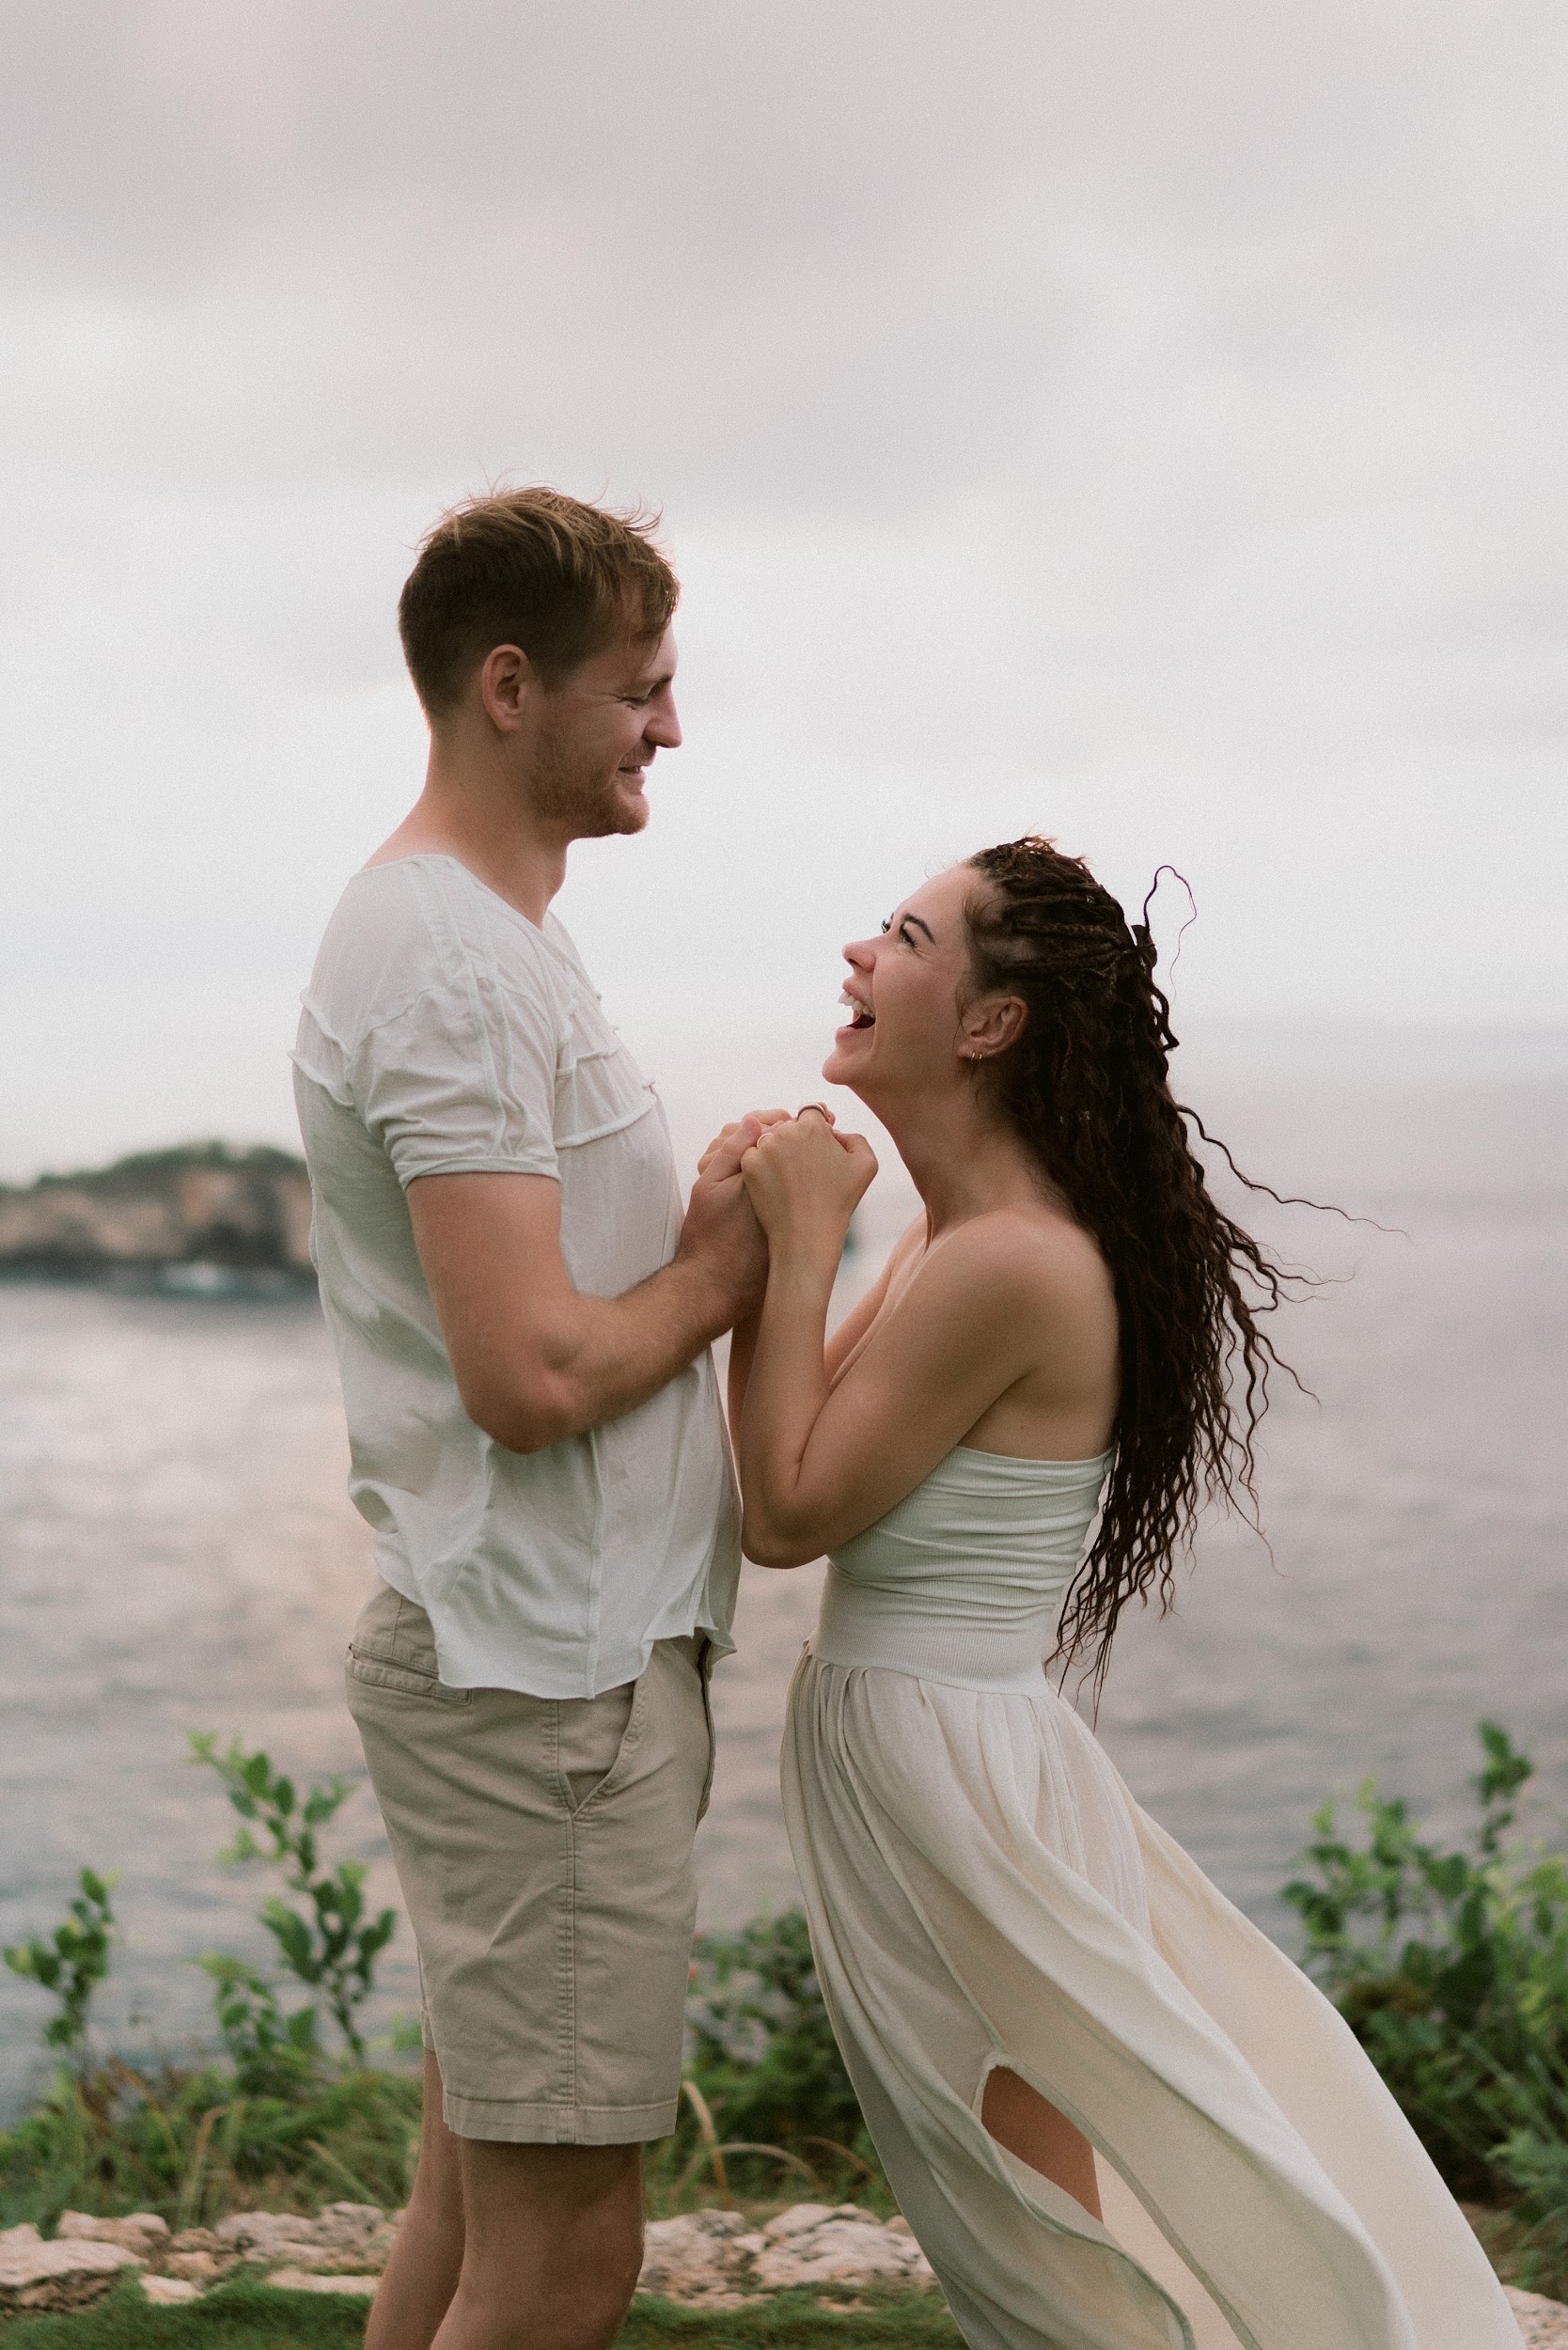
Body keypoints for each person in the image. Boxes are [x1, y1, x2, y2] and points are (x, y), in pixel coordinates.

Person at [718, 838, 1521, 2349]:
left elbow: (783, 1510)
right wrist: (797, 1252)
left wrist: (799, 1241)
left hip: (950, 1762)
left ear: (988, 1022)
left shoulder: (1007, 1263)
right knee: (1020, 2188)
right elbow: (797, 1454)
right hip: (938, 1750)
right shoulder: (956, 1240)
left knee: (1032, 2220)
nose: (857, 955)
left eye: (902, 934)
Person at [290, 489, 766, 2350]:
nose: (669, 724)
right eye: (641, 685)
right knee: (564, 2254)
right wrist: (733, 1264)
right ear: (511, 685)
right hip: (548, 1684)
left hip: (539, 1661)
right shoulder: (448, 961)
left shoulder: (482, 935)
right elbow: (531, 1372)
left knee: (474, 2205)